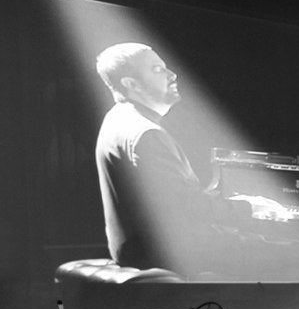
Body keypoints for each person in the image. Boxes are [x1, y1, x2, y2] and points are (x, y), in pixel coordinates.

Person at [93, 43, 282, 277]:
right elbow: (186, 208)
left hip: (139, 248)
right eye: (157, 69)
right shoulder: (146, 133)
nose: (173, 75)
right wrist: (249, 209)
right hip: (161, 252)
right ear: (131, 84)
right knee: (293, 255)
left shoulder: (117, 118)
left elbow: (175, 199)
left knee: (256, 244)